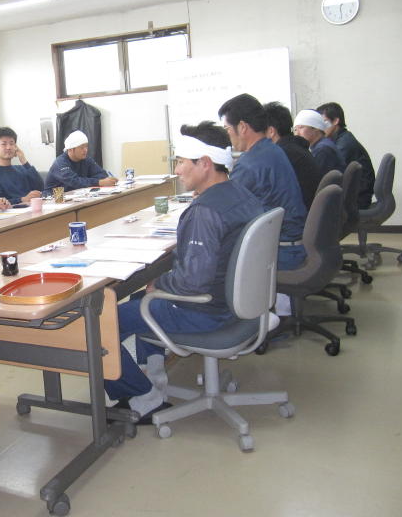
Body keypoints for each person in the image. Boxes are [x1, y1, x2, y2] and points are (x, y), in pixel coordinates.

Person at [104, 122, 263, 423]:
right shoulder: (242, 193)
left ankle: (144, 399)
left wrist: (159, 282)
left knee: (99, 325)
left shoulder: (204, 211)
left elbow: (192, 283)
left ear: (205, 163)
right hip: (237, 304)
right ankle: (154, 374)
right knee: (138, 299)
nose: (176, 170)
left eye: (180, 162)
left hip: (205, 312)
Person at [218, 93, 308, 273]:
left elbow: (221, 213)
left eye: (227, 129)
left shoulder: (250, 164)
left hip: (279, 253)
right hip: (291, 245)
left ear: (242, 127)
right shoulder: (271, 150)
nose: (227, 136)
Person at [317, 101, 376, 208]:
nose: (319, 127)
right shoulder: (339, 139)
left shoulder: (344, 144)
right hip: (355, 194)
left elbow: (331, 173)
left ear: (336, 121)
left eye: (323, 122)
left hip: (357, 199)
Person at [264, 102, 320, 209]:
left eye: (260, 131)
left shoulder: (282, 154)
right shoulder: (297, 148)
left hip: (299, 215)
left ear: (271, 131)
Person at [0, 126, 44, 205]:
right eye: (4, 144)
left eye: (11, 143)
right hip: (10, 211)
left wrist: (23, 160)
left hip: (30, 208)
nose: (8, 147)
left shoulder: (21, 169)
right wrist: (22, 199)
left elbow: (40, 187)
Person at [44, 130, 117, 192]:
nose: (85, 150)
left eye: (86, 146)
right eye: (82, 147)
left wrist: (101, 181)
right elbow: (74, 182)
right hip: (53, 199)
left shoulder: (86, 159)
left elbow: (102, 174)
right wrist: (99, 182)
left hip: (77, 196)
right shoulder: (60, 163)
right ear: (71, 149)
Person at [293, 109, 346, 176]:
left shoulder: (323, 150)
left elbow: (315, 178)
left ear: (316, 128)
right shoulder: (322, 145)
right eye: (295, 130)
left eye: (301, 127)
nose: (297, 134)